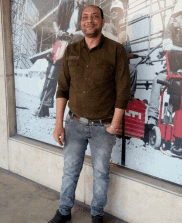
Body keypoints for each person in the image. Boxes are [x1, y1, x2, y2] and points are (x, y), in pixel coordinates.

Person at [48, 5, 130, 223]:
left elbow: (123, 91)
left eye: (94, 17)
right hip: (74, 124)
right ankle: (64, 211)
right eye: (85, 17)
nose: (89, 21)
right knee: (70, 171)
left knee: (101, 174)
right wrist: (59, 124)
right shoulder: (72, 50)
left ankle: (97, 215)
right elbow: (62, 89)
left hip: (103, 127)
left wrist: (114, 125)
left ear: (102, 22)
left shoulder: (115, 50)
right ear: (80, 22)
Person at [147, 10, 182, 155]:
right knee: (157, 80)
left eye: (175, 18)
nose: (172, 21)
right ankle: (152, 118)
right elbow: (167, 46)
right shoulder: (171, 28)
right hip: (170, 69)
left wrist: (180, 49)